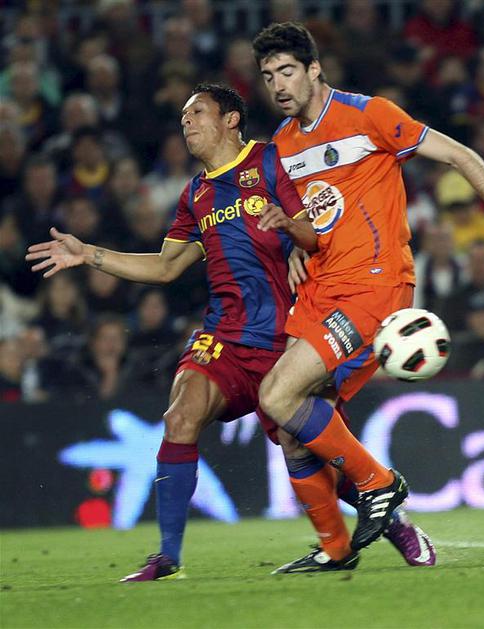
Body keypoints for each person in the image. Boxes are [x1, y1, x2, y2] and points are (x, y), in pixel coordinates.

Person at [27, 82, 433, 579]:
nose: (187, 121)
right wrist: (89, 254)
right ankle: (167, 558)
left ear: (231, 119)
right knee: (180, 415)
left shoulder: (273, 161)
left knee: (309, 447)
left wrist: (301, 244)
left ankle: (389, 521)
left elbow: (317, 221)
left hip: (288, 333)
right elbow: (165, 267)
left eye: (197, 112)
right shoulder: (194, 195)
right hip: (225, 336)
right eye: (183, 116)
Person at [252, 21, 484, 572]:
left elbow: (461, 155)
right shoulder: (284, 145)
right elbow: (314, 224)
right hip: (319, 289)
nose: (279, 85)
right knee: (295, 433)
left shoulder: (370, 115)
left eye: (287, 71)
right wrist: (292, 241)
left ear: (314, 69)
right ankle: (356, 542)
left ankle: (380, 484)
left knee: (277, 394)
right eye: (268, 76)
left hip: (374, 285)